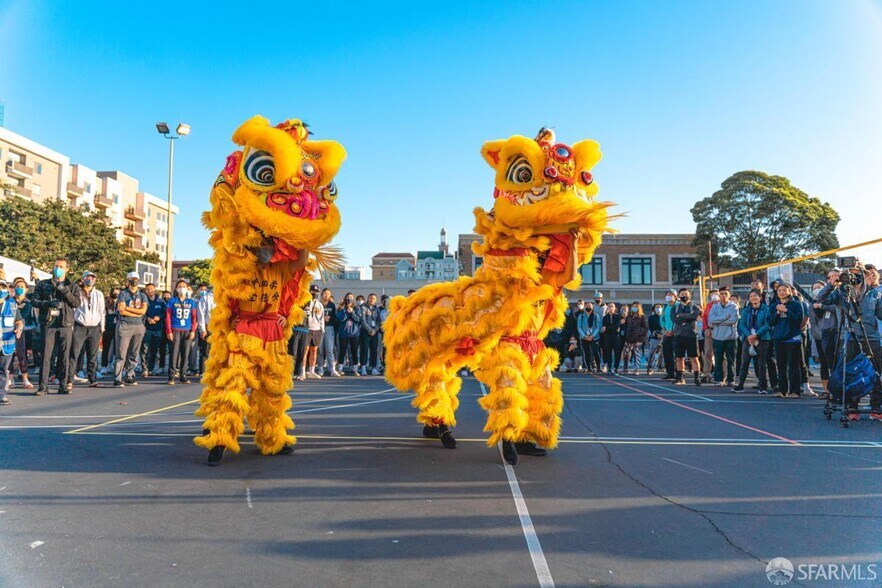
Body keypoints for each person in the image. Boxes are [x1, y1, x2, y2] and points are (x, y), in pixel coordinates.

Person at [819, 264, 882, 420]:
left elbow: (880, 314)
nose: (855, 278)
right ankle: (852, 407)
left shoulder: (875, 293)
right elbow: (822, 299)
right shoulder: (841, 292)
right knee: (848, 373)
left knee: (876, 372)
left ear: (865, 276)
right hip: (848, 336)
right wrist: (831, 284)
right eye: (851, 275)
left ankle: (876, 407)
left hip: (871, 337)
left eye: (858, 274)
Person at [32, 257, 82, 395]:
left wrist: (64, 290)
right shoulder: (43, 284)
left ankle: (63, 384)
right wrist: (49, 304)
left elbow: (77, 303)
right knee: (46, 356)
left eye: (61, 266)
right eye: (56, 266)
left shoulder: (73, 286)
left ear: (67, 269)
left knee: (64, 356)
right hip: (48, 324)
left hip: (65, 324)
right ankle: (43, 386)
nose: (57, 269)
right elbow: (34, 301)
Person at [768, 283, 805, 398]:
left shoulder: (796, 305)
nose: (782, 292)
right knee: (781, 365)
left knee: (793, 365)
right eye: (779, 290)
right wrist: (778, 313)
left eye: (784, 290)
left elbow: (798, 320)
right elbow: (770, 322)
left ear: (789, 291)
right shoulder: (773, 305)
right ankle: (782, 390)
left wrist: (786, 310)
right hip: (779, 338)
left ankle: (795, 391)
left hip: (792, 338)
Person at [68, 270, 105, 388]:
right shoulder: (77, 292)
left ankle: (92, 379)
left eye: (93, 278)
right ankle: (69, 379)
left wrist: (102, 327)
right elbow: (73, 310)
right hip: (80, 326)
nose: (91, 280)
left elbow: (102, 311)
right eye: (88, 278)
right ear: (83, 279)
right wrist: (72, 327)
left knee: (92, 355)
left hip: (95, 327)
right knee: (74, 354)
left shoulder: (99, 294)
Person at [734, 289, 772, 393]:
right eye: (751, 296)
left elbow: (768, 324)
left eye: (755, 296)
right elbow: (741, 324)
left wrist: (757, 335)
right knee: (745, 362)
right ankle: (740, 385)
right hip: (748, 338)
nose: (753, 298)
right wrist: (749, 335)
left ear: (760, 297)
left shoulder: (766, 309)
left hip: (763, 339)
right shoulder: (746, 310)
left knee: (761, 364)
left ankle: (763, 386)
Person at [114, 271, 148, 387]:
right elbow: (121, 311)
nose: (135, 281)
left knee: (134, 353)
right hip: (125, 325)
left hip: (138, 326)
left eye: (136, 278)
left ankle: (130, 375)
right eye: (132, 278)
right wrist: (137, 313)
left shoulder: (143, 295)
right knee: (121, 353)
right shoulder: (123, 294)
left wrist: (129, 309)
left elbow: (143, 311)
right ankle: (118, 378)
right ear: (128, 280)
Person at [812, 273, 840, 399]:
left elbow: (837, 308)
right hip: (825, 332)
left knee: (839, 363)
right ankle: (829, 391)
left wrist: (823, 306)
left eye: (836, 276)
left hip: (839, 332)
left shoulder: (843, 292)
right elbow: (820, 301)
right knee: (827, 363)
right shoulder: (826, 293)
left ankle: (840, 391)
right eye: (830, 277)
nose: (833, 279)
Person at [165, 280, 198, 385]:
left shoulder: (191, 302)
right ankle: (171, 376)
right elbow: (168, 317)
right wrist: (169, 331)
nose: (182, 288)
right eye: (180, 286)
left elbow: (194, 318)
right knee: (174, 354)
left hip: (187, 330)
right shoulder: (172, 301)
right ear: (176, 288)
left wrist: (193, 331)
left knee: (185, 353)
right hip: (175, 329)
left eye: (184, 286)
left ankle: (183, 376)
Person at [0, 277, 25, 405]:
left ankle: (2, 395)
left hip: (6, 343)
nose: (1, 290)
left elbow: (19, 321)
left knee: (4, 370)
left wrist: (19, 329)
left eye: (3, 287)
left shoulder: (12, 304)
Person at [707, 287, 739, 387]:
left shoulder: (734, 307)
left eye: (725, 293)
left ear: (729, 295)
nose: (723, 295)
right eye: (721, 293)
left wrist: (718, 322)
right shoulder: (715, 307)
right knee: (718, 359)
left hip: (731, 337)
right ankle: (718, 379)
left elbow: (733, 320)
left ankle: (731, 379)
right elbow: (711, 321)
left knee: (731, 360)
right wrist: (725, 317)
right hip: (717, 337)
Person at [672, 288, 702, 386]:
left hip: (691, 335)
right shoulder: (675, 308)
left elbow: (694, 316)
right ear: (679, 296)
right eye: (682, 294)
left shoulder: (695, 307)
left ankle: (697, 378)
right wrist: (686, 317)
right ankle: (680, 378)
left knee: (694, 357)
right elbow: (674, 319)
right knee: (679, 358)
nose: (684, 295)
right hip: (679, 335)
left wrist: (680, 316)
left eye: (686, 294)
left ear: (690, 295)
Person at [10, 277, 35, 389]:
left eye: (22, 287)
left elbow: (35, 322)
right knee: (8, 356)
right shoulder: (9, 302)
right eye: (17, 286)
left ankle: (25, 378)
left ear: (26, 289)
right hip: (9, 332)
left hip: (24, 333)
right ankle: (10, 379)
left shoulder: (30, 304)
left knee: (22, 356)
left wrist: (22, 328)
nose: (19, 288)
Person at [140, 283, 166, 377]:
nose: (149, 291)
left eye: (151, 289)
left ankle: (151, 369)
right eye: (147, 289)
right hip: (146, 328)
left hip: (158, 329)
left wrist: (159, 317)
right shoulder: (143, 300)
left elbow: (165, 313)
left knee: (154, 350)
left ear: (155, 289)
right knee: (144, 350)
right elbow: (141, 313)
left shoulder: (161, 301)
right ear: (145, 290)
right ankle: (144, 369)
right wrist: (147, 318)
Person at [337, 293, 361, 375]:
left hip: (354, 334)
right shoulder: (341, 308)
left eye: (351, 298)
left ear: (353, 299)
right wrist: (345, 311)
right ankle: (340, 369)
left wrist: (352, 312)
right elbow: (340, 319)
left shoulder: (357, 308)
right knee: (342, 351)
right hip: (343, 333)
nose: (349, 299)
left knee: (354, 351)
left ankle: (355, 369)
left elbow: (358, 320)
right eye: (347, 298)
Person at [304, 284, 325, 379]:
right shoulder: (305, 302)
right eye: (312, 291)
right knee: (305, 350)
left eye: (316, 292)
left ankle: (312, 370)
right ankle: (303, 370)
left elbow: (322, 318)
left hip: (317, 329)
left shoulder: (319, 305)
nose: (314, 293)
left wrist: (322, 329)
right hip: (307, 328)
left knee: (314, 350)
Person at [621, 302, 647, 375]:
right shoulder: (629, 316)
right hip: (628, 338)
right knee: (626, 352)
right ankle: (625, 368)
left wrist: (639, 334)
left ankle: (636, 369)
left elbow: (645, 328)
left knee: (637, 354)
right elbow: (626, 326)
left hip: (638, 339)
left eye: (636, 306)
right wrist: (626, 334)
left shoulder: (642, 317)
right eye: (633, 306)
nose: (634, 308)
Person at [195, 283, 215, 377]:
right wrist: (202, 329)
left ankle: (215, 372)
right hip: (209, 327)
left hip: (221, 328)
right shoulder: (206, 298)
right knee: (206, 351)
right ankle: (203, 372)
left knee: (219, 351)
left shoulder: (225, 297)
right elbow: (201, 315)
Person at [320, 288, 340, 377]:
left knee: (330, 349)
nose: (326, 295)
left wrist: (330, 319)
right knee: (320, 349)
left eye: (328, 294)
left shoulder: (332, 305)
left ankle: (332, 368)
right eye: (325, 293)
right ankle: (320, 368)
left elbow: (335, 318)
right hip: (319, 328)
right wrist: (322, 318)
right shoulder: (318, 304)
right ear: (321, 295)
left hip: (329, 328)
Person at [700, 289, 719, 383]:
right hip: (709, 331)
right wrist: (706, 329)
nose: (714, 296)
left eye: (716, 294)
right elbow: (704, 318)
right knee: (707, 353)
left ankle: (722, 374)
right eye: (712, 295)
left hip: (720, 331)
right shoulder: (708, 306)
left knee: (720, 354)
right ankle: (706, 373)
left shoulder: (723, 305)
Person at [577, 300, 601, 373]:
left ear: (592, 307)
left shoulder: (596, 316)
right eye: (587, 306)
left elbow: (598, 327)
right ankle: (589, 367)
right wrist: (584, 336)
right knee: (586, 353)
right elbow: (579, 327)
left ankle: (598, 367)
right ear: (585, 307)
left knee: (595, 352)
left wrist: (592, 336)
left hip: (594, 338)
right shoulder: (581, 316)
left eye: (590, 306)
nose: (588, 307)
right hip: (584, 338)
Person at [100, 288, 120, 374]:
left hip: (118, 327)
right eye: (114, 292)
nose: (115, 294)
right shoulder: (107, 301)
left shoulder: (121, 301)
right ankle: (104, 366)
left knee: (118, 348)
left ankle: (117, 366)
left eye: (117, 292)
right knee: (106, 348)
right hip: (108, 326)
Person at [600, 303, 622, 375]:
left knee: (617, 353)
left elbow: (616, 326)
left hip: (616, 337)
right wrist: (612, 328)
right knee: (608, 353)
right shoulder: (605, 317)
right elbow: (603, 328)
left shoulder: (618, 316)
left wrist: (608, 328)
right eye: (609, 307)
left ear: (614, 308)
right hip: (607, 337)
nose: (610, 308)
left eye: (612, 307)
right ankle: (609, 368)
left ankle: (616, 368)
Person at [660, 290, 677, 379]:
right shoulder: (665, 307)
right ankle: (669, 372)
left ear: (675, 296)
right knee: (667, 353)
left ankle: (678, 372)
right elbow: (662, 319)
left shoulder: (678, 305)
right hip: (667, 333)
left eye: (670, 295)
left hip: (676, 333)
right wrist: (665, 329)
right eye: (667, 295)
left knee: (677, 354)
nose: (668, 296)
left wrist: (673, 330)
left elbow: (678, 319)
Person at [646, 303, 665, 375]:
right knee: (652, 352)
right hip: (654, 337)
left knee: (662, 353)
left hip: (664, 336)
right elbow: (651, 328)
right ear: (654, 309)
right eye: (657, 307)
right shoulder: (651, 317)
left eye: (660, 307)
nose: (658, 309)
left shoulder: (664, 317)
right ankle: (649, 367)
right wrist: (656, 334)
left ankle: (660, 366)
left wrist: (663, 334)